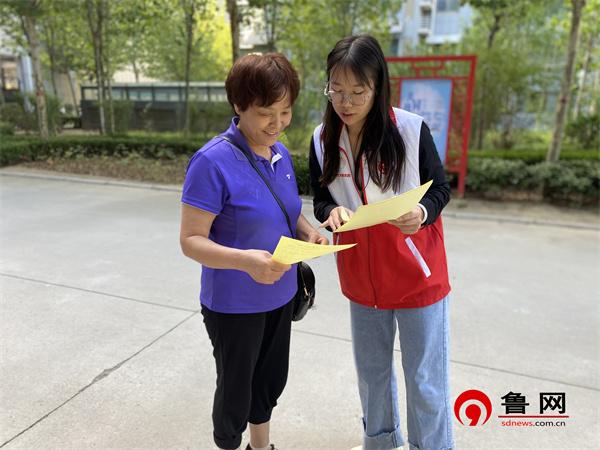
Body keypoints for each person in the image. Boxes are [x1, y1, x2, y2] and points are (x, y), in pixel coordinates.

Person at [309, 35, 453, 450]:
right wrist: (328, 213)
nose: (346, 102)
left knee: (424, 379)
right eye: (336, 90)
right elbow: (320, 195)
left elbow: (439, 188)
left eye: (358, 91)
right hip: (362, 280)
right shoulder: (322, 139)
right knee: (372, 375)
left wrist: (423, 212)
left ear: (378, 87)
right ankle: (382, 444)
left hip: (416, 277)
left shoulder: (410, 129)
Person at [180, 53, 328, 450]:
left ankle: (261, 446)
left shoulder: (278, 155)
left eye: (285, 112)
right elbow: (191, 240)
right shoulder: (212, 162)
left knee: (269, 381)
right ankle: (229, 444)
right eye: (266, 113)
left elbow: (289, 211)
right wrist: (246, 261)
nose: (277, 124)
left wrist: (310, 231)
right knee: (235, 391)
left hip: (280, 294)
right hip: (234, 303)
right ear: (238, 105)